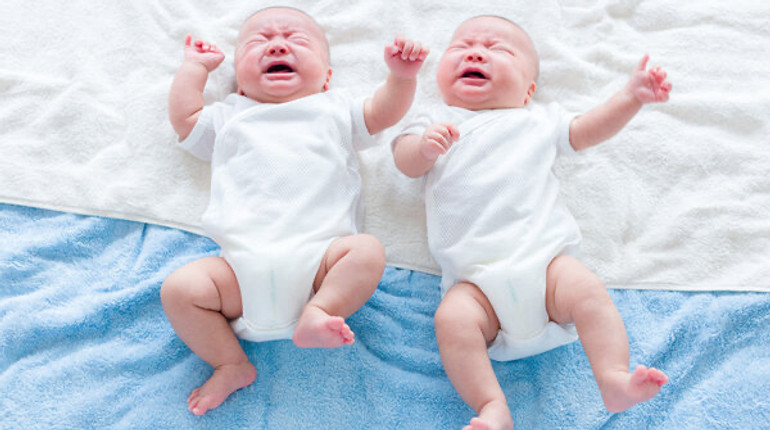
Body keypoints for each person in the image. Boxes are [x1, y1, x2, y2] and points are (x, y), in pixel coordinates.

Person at [392, 15, 671, 430]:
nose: (476, 53)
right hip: (475, 285)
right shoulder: (433, 119)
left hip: (547, 271)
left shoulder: (538, 119)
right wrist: (424, 149)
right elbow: (404, 161)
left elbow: (587, 130)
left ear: (528, 91)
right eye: (462, 46)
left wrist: (630, 97)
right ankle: (491, 405)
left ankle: (612, 376)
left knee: (586, 288)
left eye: (498, 49)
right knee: (451, 321)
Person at [161, 6, 428, 416]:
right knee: (180, 290)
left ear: (326, 77)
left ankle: (320, 312)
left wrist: (401, 77)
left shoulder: (335, 109)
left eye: (296, 40)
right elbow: (185, 119)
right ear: (238, 81)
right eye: (258, 42)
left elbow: (383, 112)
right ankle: (230, 363)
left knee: (367, 251)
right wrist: (195, 69)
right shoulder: (230, 116)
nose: (277, 45)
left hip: (321, 264)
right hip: (238, 272)